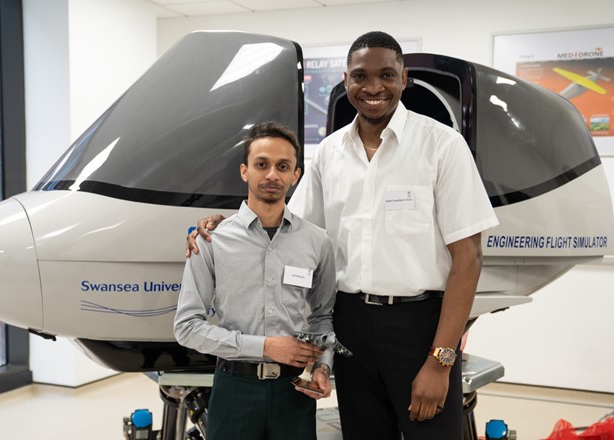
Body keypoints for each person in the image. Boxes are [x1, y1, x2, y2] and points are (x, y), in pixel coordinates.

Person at [187, 31, 499, 439]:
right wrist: (223, 224)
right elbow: (285, 227)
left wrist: (440, 361)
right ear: (346, 80)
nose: (373, 87)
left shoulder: (440, 146)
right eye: (360, 76)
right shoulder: (329, 155)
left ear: (404, 78)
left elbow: (468, 257)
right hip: (350, 325)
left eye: (386, 74)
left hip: (419, 326)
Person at [174, 121, 337, 440]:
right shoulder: (211, 240)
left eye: (283, 166)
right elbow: (187, 326)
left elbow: (323, 315)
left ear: (296, 175)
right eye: (262, 164)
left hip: (293, 393)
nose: (273, 175)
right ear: (245, 171)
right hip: (235, 390)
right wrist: (265, 346)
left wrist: (323, 366)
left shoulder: (318, 242)